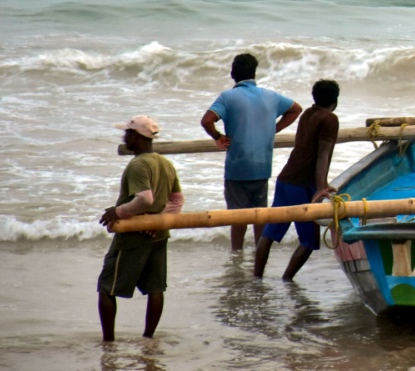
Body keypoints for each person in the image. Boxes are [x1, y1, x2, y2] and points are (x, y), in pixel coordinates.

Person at [201, 53, 301, 252]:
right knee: (259, 216)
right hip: (262, 166)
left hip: (238, 167)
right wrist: (274, 128)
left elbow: (206, 121)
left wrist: (218, 137)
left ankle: (236, 256)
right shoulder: (271, 96)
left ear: (233, 74)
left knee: (237, 218)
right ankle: (259, 255)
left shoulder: (227, 97)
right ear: (254, 74)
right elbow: (296, 109)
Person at [98, 116, 184, 341]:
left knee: (107, 287)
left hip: (132, 235)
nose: (124, 136)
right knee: (155, 288)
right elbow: (177, 201)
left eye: (127, 132)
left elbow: (145, 199)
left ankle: (108, 342)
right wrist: (158, 222)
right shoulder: (165, 163)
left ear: (137, 136)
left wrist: (117, 212)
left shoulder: (137, 164)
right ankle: (148, 339)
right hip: (158, 234)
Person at [254, 79, 340, 281]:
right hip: (302, 186)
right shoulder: (330, 119)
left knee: (270, 233)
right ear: (335, 100)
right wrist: (321, 188)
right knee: (309, 241)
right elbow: (322, 154)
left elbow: (309, 151)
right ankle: (287, 280)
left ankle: (256, 278)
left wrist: (322, 183)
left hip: (286, 180)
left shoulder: (308, 114)